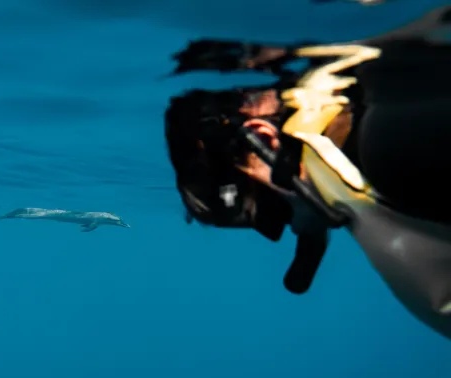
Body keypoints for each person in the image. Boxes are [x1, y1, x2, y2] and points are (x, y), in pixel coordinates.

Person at [164, 5, 451, 339]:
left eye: (275, 210)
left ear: (264, 137)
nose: (296, 224)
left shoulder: (387, 153)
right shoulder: (372, 146)